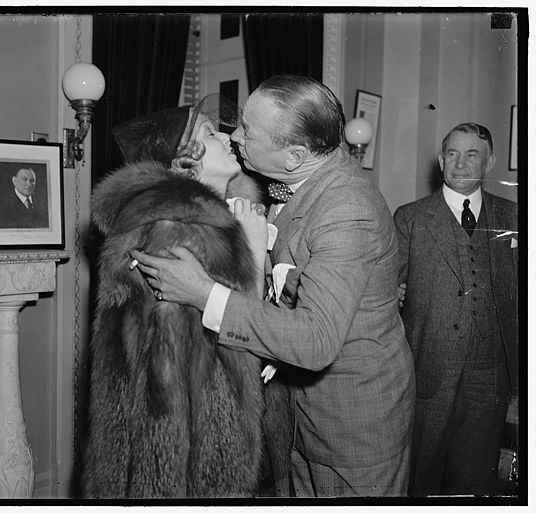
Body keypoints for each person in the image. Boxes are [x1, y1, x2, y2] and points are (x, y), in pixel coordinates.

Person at [132, 75, 415, 497]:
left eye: (248, 130)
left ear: (294, 156)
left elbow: (316, 340)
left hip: (354, 430)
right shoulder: (296, 182)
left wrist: (204, 292)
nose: (235, 135)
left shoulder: (346, 207)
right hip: (303, 420)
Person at [79, 94, 290, 498]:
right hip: (198, 443)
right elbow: (189, 364)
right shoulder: (182, 232)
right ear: (185, 160)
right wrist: (253, 252)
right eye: (210, 134)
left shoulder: (199, 223)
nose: (227, 138)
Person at [393, 123, 518, 496]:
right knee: (422, 475)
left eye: (471, 155)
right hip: (428, 371)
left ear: (489, 163)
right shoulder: (411, 218)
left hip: (490, 374)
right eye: (452, 154)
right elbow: (385, 290)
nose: (460, 164)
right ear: (440, 159)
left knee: (474, 481)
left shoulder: (514, 217)